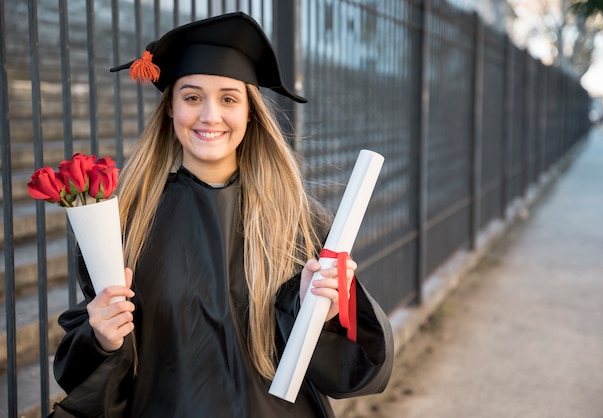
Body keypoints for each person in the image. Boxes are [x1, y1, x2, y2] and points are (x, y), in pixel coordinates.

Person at [50, 12, 393, 418]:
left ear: (249, 112)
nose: (210, 115)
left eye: (228, 98)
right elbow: (87, 373)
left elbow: (354, 369)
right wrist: (102, 337)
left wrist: (324, 315)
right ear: (171, 110)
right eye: (192, 97)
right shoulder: (126, 223)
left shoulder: (299, 222)